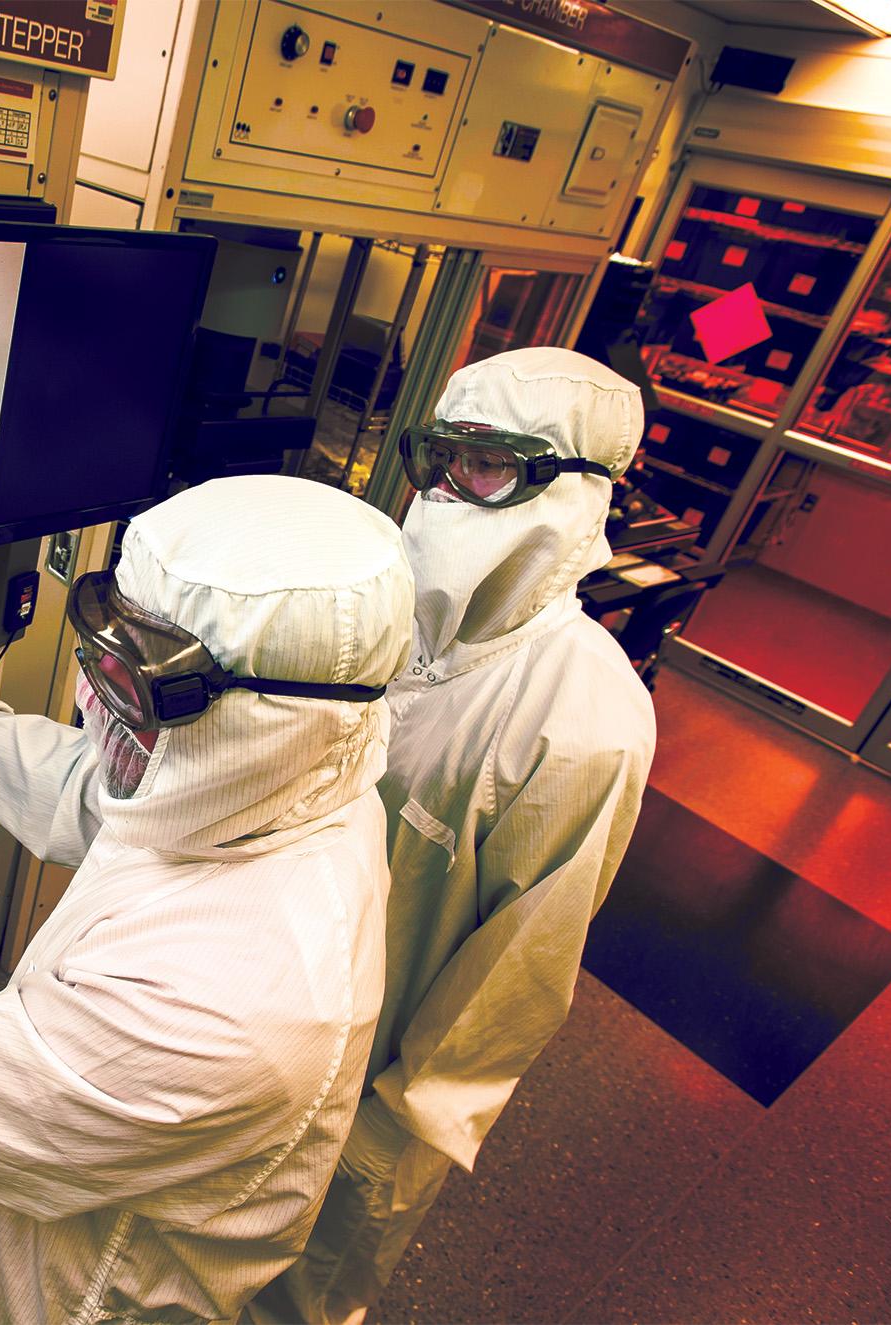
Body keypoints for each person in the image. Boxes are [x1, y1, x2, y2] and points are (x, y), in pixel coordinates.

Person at [0, 475, 416, 1322]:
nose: (86, 704)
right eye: (100, 656)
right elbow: (116, 794)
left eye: (126, 691)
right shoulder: (292, 783)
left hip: (85, 1288)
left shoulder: (233, 1008)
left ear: (260, 725)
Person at [260, 347, 658, 1323]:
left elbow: (515, 976)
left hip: (359, 1100)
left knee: (284, 1303)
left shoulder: (582, 721)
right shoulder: (381, 617)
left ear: (576, 491)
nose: (441, 491)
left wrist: (385, 1136)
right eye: (434, 455)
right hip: (251, 1024)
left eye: (485, 464)